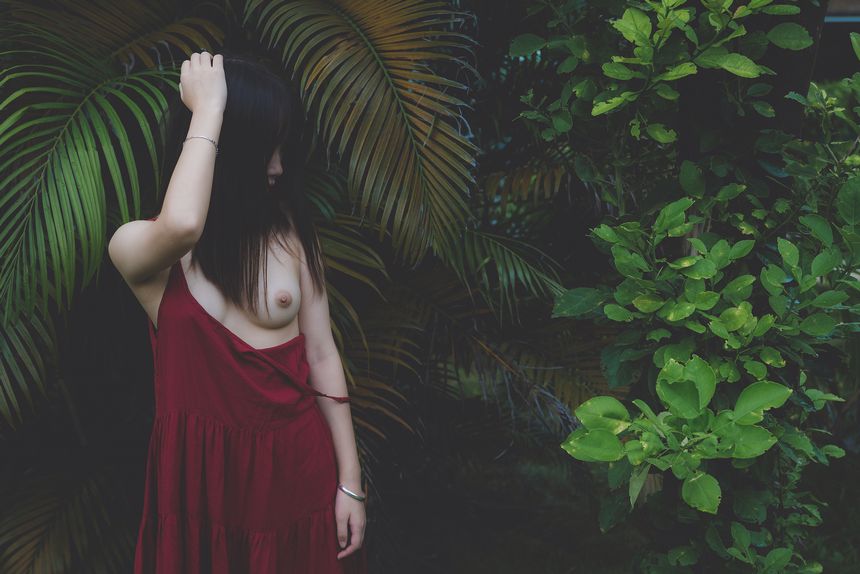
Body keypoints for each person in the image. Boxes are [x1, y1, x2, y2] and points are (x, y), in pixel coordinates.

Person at [108, 50, 368, 573]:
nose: (278, 167)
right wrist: (210, 108)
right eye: (264, 149)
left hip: (295, 468)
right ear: (228, 149)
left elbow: (321, 354)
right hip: (200, 484)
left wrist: (350, 482)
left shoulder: (291, 236)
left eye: (282, 148)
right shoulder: (138, 247)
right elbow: (184, 225)